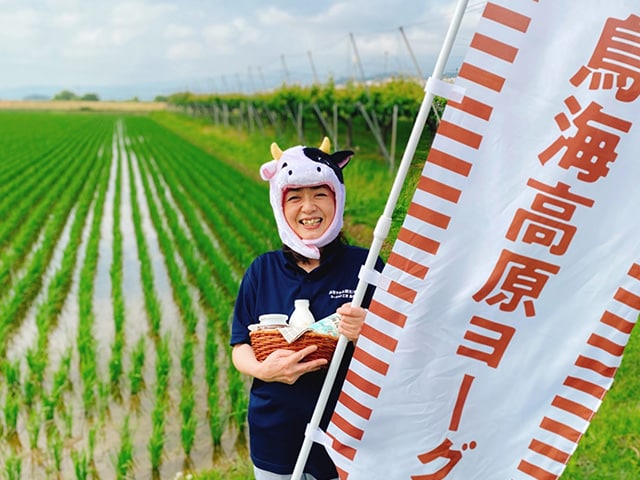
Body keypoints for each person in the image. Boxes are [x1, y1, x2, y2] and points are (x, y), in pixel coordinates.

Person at [230, 137, 383, 480]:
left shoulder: (366, 266)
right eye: (295, 197)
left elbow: (399, 347)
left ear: (337, 198)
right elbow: (240, 345)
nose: (309, 208)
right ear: (279, 206)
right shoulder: (262, 270)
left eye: (320, 194)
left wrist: (370, 331)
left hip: (349, 432)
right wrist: (264, 370)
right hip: (275, 434)